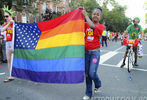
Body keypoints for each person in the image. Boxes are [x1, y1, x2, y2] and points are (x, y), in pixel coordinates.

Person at [82, 8, 105, 100]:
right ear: (92, 15)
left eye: (98, 14)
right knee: (87, 74)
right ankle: (88, 93)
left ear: (100, 17)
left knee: (92, 72)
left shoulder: (101, 26)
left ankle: (98, 83)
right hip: (86, 53)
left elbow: (92, 26)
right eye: (94, 13)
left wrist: (85, 15)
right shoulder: (85, 24)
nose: (95, 15)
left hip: (95, 54)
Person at [1, 6, 15, 82]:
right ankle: (11, 75)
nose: (5, 17)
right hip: (7, 43)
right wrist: (8, 23)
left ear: (10, 16)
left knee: (15, 60)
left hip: (14, 43)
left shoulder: (14, 24)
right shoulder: (6, 24)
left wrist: (12, 24)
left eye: (7, 16)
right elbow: (2, 30)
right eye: (5, 16)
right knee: (9, 60)